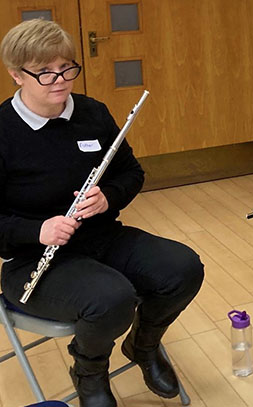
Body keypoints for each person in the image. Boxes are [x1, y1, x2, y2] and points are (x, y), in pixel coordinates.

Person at [0, 19, 204, 407]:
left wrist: (108, 197)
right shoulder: (3, 131)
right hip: (33, 259)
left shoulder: (92, 112)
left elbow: (131, 173)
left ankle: (143, 345)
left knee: (183, 268)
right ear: (15, 75)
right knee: (111, 298)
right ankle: (89, 371)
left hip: (101, 237)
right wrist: (37, 231)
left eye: (66, 68)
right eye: (44, 72)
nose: (59, 81)